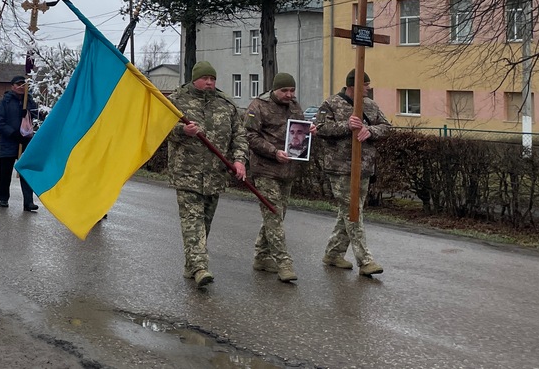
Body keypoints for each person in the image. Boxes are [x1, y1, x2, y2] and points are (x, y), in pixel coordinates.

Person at [165, 61, 248, 288]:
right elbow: (161, 131)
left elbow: (239, 136)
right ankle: (201, 267)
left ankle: (191, 264)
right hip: (187, 173)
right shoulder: (176, 102)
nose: (210, 83)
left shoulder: (226, 105)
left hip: (215, 174)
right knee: (192, 221)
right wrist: (182, 130)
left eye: (213, 79)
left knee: (205, 222)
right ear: (195, 79)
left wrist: (240, 160)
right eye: (205, 79)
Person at [314, 69, 392, 277]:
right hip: (340, 168)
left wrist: (370, 131)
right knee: (353, 211)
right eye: (365, 85)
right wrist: (346, 125)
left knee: (349, 211)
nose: (368, 88)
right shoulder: (331, 104)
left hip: (364, 167)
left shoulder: (371, 105)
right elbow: (319, 128)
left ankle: (333, 253)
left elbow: (386, 126)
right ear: (353, 86)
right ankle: (365, 260)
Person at [245, 72, 310, 283]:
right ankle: (284, 263)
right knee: (273, 214)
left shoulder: (295, 106)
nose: (289, 94)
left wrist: (310, 132)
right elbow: (250, 136)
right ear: (275, 89)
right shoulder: (258, 106)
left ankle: (261, 257)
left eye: (292, 90)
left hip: (288, 170)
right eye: (285, 91)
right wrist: (273, 152)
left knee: (277, 215)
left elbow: (299, 131)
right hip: (265, 169)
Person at [0, 75, 40, 212]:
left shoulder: (30, 102)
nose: (21, 87)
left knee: (26, 171)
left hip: (25, 142)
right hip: (9, 142)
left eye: (23, 84)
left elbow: (38, 119)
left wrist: (29, 114)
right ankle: (3, 198)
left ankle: (28, 202)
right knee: (5, 173)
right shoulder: (5, 102)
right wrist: (12, 133)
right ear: (12, 86)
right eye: (18, 84)